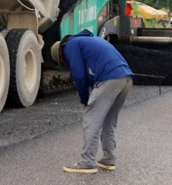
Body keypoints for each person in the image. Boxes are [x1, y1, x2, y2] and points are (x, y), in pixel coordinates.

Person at [52, 30, 134, 174]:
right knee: (109, 120)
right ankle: (109, 159)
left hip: (110, 78)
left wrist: (84, 99)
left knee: (91, 119)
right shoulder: (89, 41)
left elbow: (79, 74)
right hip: (126, 78)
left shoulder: (69, 45)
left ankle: (87, 162)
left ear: (61, 53)